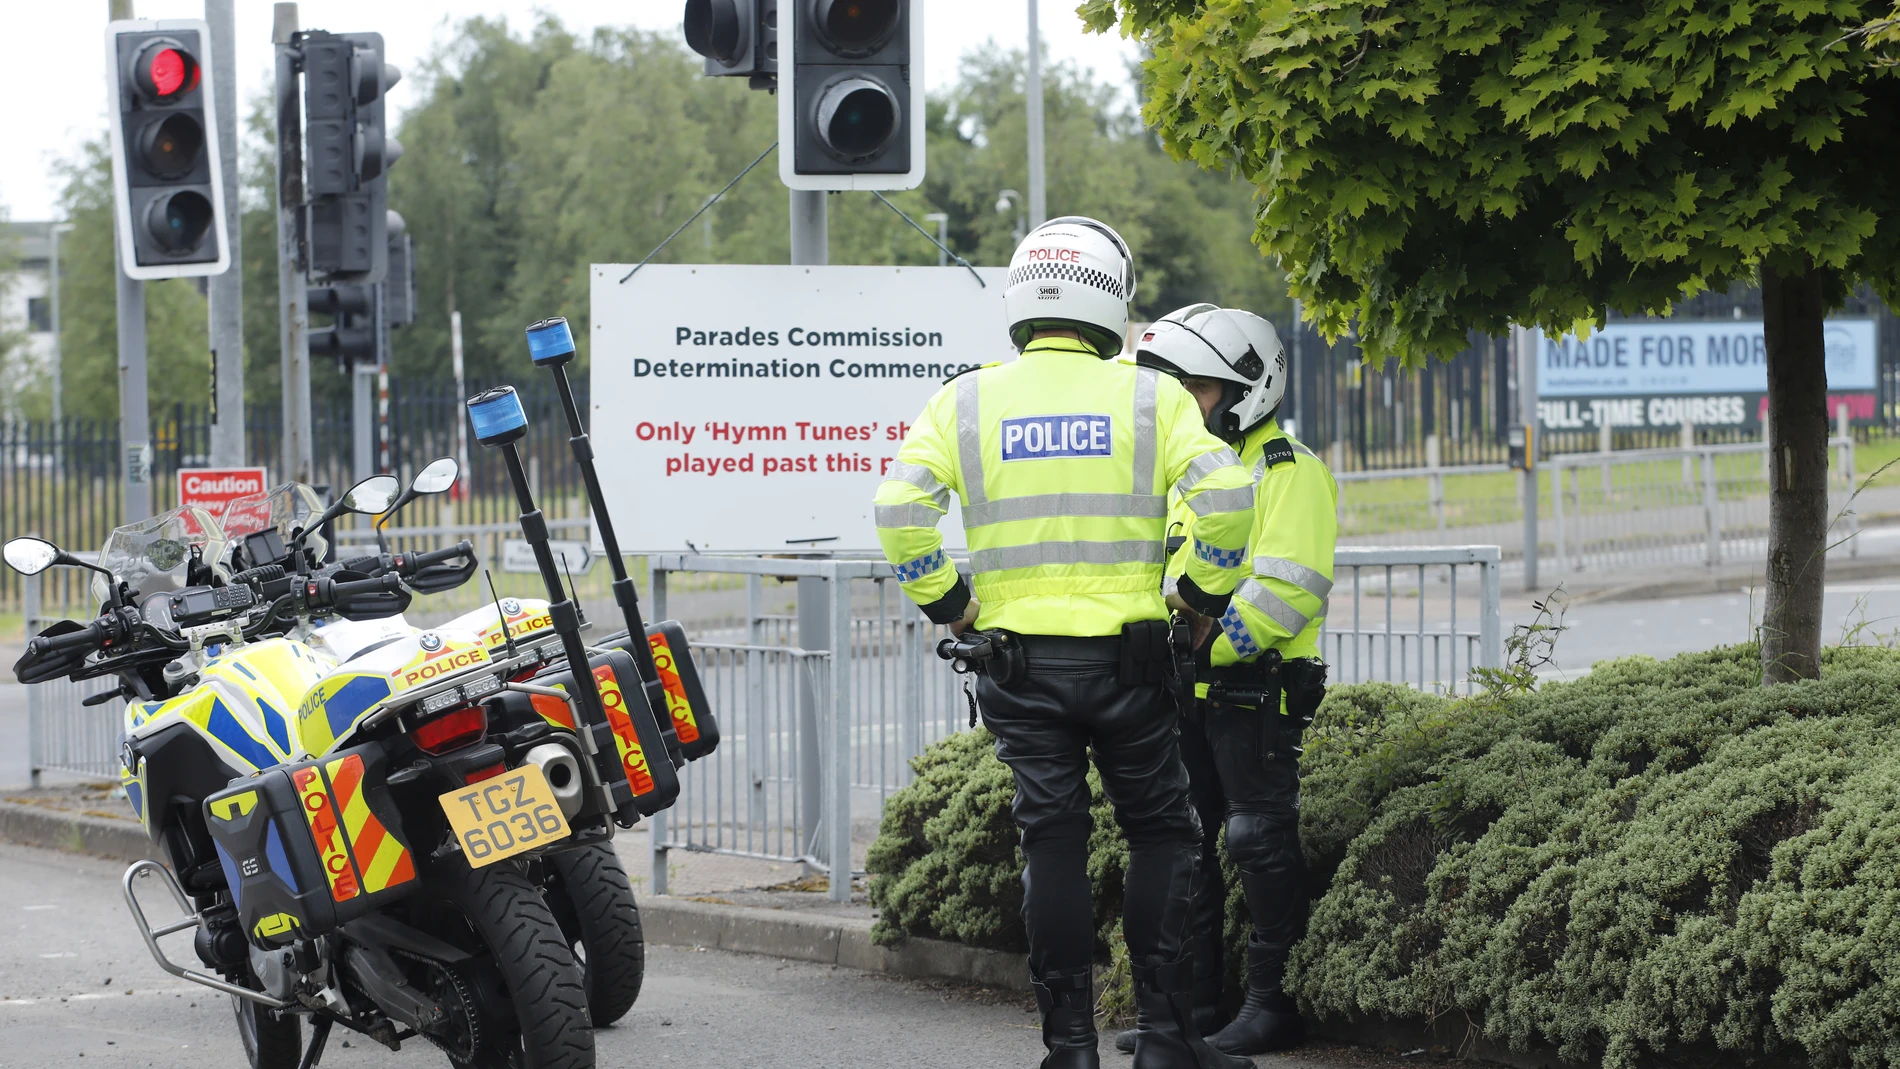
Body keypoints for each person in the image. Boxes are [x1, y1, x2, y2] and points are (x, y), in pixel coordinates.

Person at [874, 219, 1256, 1069]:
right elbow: (1228, 496)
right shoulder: (1151, 396)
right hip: (1132, 663)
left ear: (1023, 298)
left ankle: (1071, 1049)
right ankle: (1164, 1039)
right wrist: (1198, 601)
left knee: (1051, 841)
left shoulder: (966, 399)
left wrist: (954, 607)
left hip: (1016, 664)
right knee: (1162, 833)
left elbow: (900, 511)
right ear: (1109, 302)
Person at [1109, 304, 1337, 1056]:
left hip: (1256, 691)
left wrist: (1211, 642)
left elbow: (1286, 588)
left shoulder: (1289, 471)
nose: (1184, 406)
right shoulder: (1191, 477)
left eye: (1197, 390)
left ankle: (1273, 1002)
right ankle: (1191, 1009)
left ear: (1248, 386)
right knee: (1182, 843)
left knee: (1256, 836)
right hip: (1188, 692)